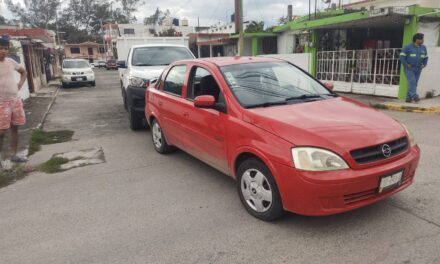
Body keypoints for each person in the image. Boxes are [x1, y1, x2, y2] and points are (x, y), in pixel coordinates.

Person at [0, 34, 28, 164]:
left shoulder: (11, 62)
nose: (3, 51)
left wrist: (20, 84)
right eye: (1, 48)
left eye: (5, 48)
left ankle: (14, 155)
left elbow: (23, 72)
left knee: (15, 128)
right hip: (1, 103)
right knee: (1, 131)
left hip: (15, 100)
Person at [399, 33, 428, 103]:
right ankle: (415, 96)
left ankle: (408, 98)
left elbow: (426, 57)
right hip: (409, 68)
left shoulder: (423, 47)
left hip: (418, 68)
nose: (423, 40)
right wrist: (406, 64)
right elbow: (401, 57)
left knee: (414, 83)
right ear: (417, 39)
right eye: (422, 39)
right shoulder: (407, 47)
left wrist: (424, 64)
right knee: (412, 82)